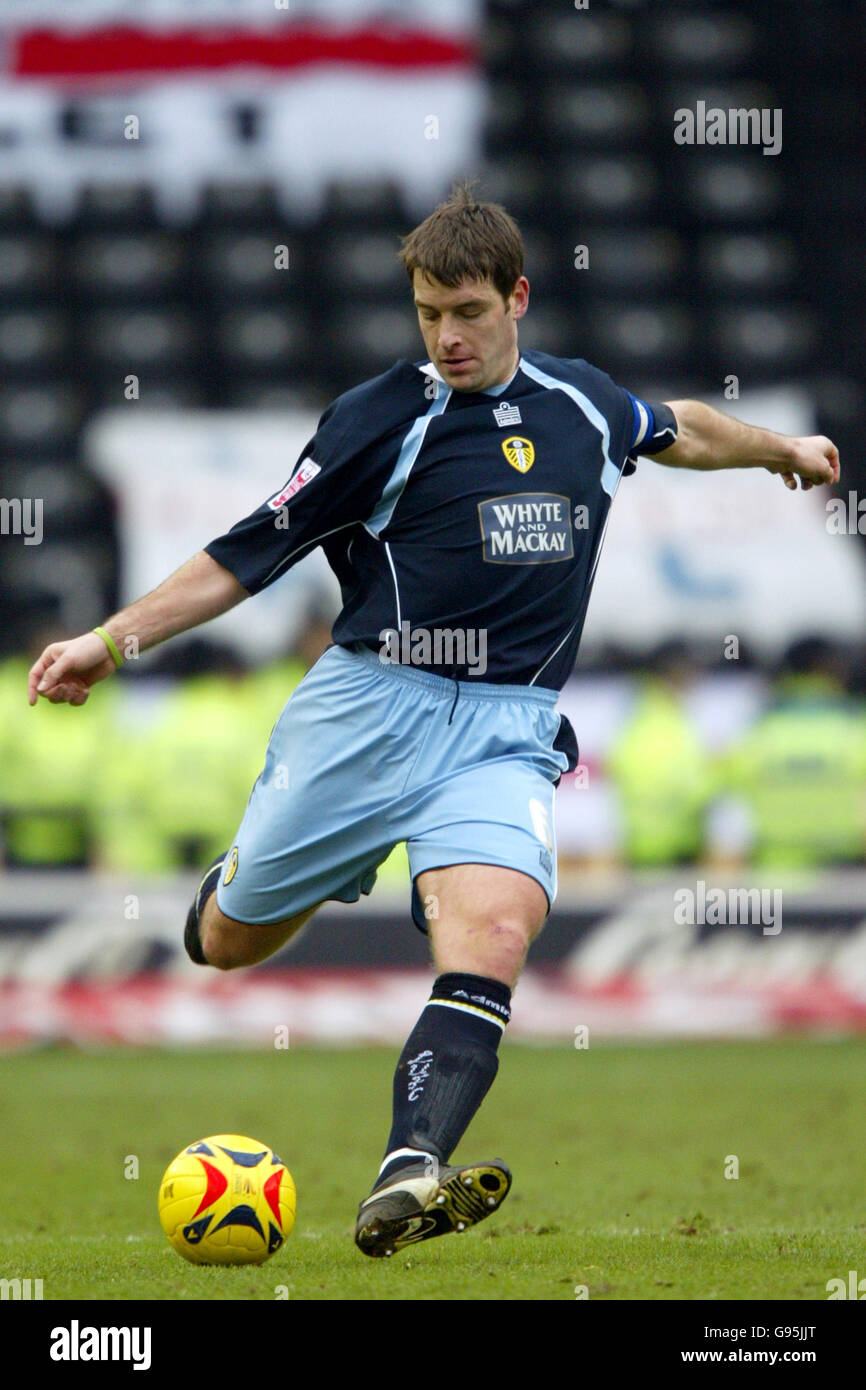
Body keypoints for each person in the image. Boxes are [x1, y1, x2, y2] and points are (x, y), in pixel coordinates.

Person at [27, 183, 841, 1257]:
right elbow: (243, 556)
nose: (446, 337)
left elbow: (675, 427)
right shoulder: (379, 420)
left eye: (465, 311)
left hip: (506, 727)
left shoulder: (581, 403)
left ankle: (408, 1165)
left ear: (517, 298)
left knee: (494, 933)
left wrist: (777, 445)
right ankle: (285, 868)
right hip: (369, 714)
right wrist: (110, 639)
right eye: (427, 314)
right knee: (229, 942)